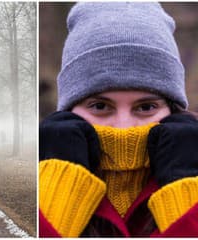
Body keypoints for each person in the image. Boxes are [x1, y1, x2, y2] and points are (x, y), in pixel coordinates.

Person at [39, 2, 198, 237]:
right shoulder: (34, 181)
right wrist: (57, 192)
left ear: (172, 110)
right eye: (100, 106)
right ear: (69, 111)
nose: (124, 127)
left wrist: (186, 192)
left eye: (146, 107)